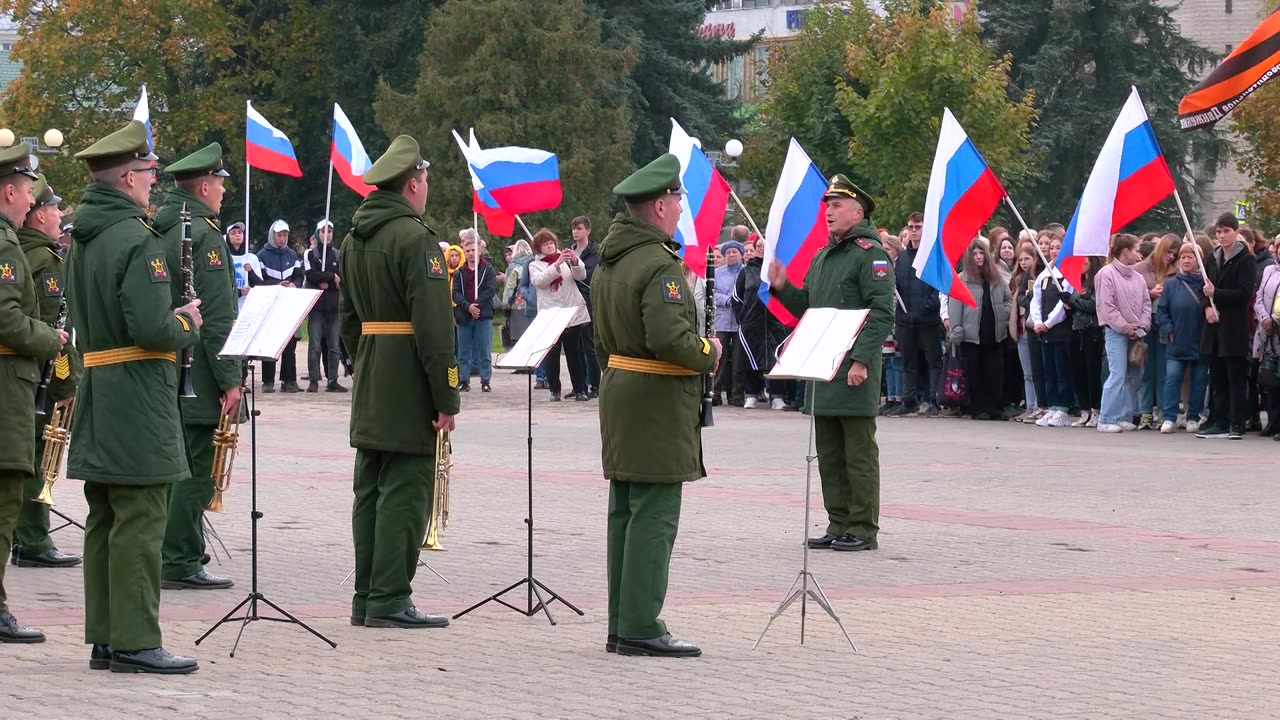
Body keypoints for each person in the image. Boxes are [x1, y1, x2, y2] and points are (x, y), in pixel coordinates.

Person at [67, 120, 203, 672]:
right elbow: (152, 327)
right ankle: (135, 639)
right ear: (127, 177)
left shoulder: (84, 235)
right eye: (148, 172)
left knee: (105, 518)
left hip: (99, 386)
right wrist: (187, 322)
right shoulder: (136, 239)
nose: (154, 182)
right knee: (142, 518)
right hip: (138, 396)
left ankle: (105, 635)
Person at [593, 153, 720, 657]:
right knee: (655, 514)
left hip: (621, 386)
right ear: (661, 206)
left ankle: (623, 623)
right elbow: (670, 338)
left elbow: (603, 339)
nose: (680, 206)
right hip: (656, 398)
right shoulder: (660, 265)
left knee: (625, 511)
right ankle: (641, 626)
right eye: (678, 199)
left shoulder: (612, 259)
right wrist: (708, 353)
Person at [338, 135, 457, 629]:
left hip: (371, 370)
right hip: (408, 376)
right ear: (412, 184)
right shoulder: (415, 239)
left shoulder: (352, 238)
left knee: (369, 489)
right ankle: (389, 597)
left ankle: (367, 595)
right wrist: (445, 394)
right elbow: (434, 328)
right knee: (406, 492)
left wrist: (364, 360)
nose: (426, 189)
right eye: (425, 181)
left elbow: (347, 321)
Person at [768, 175, 895, 552]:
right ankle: (839, 521)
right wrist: (782, 286)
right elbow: (807, 307)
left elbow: (881, 313)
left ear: (859, 211)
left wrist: (861, 361)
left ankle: (863, 527)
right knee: (829, 453)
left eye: (837, 205)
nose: (828, 211)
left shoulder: (869, 254)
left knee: (857, 454)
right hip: (823, 366)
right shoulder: (824, 257)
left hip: (853, 368)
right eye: (827, 205)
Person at [153, 143, 241, 591]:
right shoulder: (203, 236)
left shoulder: (163, 226)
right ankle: (181, 558)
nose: (224, 192)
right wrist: (231, 378)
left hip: (173, 365)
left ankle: (177, 550)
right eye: (221, 183)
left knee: (179, 464)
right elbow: (217, 315)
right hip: (201, 374)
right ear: (204, 186)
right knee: (198, 469)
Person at [0, 147, 68, 644]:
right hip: (7, 389)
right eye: (28, 190)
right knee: (5, 503)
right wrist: (51, 340)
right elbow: (6, 318)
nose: (32, 200)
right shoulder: (5, 245)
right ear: (9, 191)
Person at [11, 174, 82, 570]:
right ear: (38, 216)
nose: (59, 215)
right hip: (41, 375)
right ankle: (34, 539)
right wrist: (65, 380)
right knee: (40, 456)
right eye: (54, 208)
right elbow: (57, 333)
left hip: (25, 372)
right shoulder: (46, 261)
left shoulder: (23, 252)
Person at [1198, 214, 1258, 439]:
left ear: (1235, 232)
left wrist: (1217, 295)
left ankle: (1236, 423)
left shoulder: (1246, 260)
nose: (1222, 236)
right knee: (1217, 378)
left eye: (1226, 231)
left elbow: (1244, 294)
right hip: (1214, 329)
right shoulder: (1212, 258)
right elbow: (1203, 289)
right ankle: (1218, 420)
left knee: (1235, 377)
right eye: (1219, 232)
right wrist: (1207, 307)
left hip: (1234, 328)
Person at [947, 238, 1012, 420]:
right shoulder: (962, 279)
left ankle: (995, 407)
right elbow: (955, 305)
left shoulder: (997, 278)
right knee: (975, 373)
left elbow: (1009, 299)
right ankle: (977, 407)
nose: (978, 257)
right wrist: (956, 327)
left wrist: (1003, 312)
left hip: (994, 332)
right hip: (971, 335)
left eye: (981, 253)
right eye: (974, 254)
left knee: (995, 372)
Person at [1095, 234, 1151, 433]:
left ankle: (1124, 415)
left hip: (1137, 332)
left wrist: (1142, 325)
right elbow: (1107, 307)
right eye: (1136, 250)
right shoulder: (1106, 274)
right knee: (1117, 374)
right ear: (1125, 251)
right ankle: (1106, 417)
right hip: (1116, 332)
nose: (1139, 254)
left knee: (1132, 376)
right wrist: (1127, 328)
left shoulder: (1138, 277)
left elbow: (1146, 303)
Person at [889, 211, 941, 417]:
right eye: (910, 227)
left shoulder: (932, 256)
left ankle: (933, 399)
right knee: (908, 361)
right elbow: (898, 286)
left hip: (928, 319)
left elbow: (938, 287)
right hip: (905, 319)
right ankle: (909, 399)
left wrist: (928, 306)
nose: (913, 231)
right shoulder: (901, 258)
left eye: (917, 227)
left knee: (933, 360)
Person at [529, 229, 591, 401]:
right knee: (553, 355)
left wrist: (575, 261)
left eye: (551, 243)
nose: (550, 246)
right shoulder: (534, 265)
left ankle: (579, 389)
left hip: (571, 312)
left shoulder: (564, 259)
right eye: (545, 244)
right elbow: (540, 282)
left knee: (574, 353)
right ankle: (554, 389)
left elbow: (581, 276)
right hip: (551, 315)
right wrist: (556, 265)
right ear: (538, 248)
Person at [1159, 242, 1209, 434]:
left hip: (1200, 339)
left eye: (1190, 256)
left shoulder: (1206, 284)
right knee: (1172, 378)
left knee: (1199, 380)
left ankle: (1193, 416)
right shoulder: (1172, 284)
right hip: (1177, 339)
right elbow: (1162, 311)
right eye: (1183, 257)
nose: (1186, 260)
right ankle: (1169, 417)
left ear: (1199, 260)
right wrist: (1169, 330)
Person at [256, 219, 303, 392]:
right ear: (272, 235)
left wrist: (294, 284)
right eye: (279, 235)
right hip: (270, 305)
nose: (282, 238)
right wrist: (277, 285)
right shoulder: (261, 255)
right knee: (270, 343)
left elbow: (299, 275)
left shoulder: (292, 254)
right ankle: (268, 381)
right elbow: (260, 280)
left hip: (288, 305)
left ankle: (289, 380)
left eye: (284, 235)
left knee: (290, 344)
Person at [451, 229, 496, 392]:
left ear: (479, 250)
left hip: (483, 315)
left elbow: (490, 290)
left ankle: (485, 380)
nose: (471, 254)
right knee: (463, 351)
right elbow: (455, 293)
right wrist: (468, 307)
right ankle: (464, 379)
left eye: (473, 250)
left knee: (484, 349)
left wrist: (476, 305)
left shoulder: (488, 269)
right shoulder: (459, 273)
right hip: (464, 315)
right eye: (468, 251)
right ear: (464, 252)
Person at [305, 220, 345, 393]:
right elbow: (311, 275)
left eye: (329, 231)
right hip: (316, 306)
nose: (326, 235)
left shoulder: (338, 255)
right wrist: (331, 276)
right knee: (314, 344)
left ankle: (333, 380)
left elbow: (342, 278)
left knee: (334, 346)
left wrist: (330, 280)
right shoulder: (310, 254)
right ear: (318, 234)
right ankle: (313, 379)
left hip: (334, 307)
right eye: (323, 231)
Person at [570, 216, 602, 397]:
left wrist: (574, 266)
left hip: (588, 302)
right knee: (575, 346)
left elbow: (587, 275)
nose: (576, 232)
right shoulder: (569, 250)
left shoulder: (594, 252)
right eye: (574, 229)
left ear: (588, 230)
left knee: (589, 345)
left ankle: (595, 386)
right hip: (571, 303)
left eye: (579, 228)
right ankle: (579, 385)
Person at [714, 236, 747, 406]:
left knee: (738, 359)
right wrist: (729, 300)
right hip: (723, 320)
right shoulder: (718, 273)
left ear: (741, 255)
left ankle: (737, 395)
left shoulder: (747, 271)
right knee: (719, 357)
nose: (731, 255)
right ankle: (715, 393)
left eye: (735, 252)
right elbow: (713, 293)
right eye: (728, 252)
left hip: (741, 321)